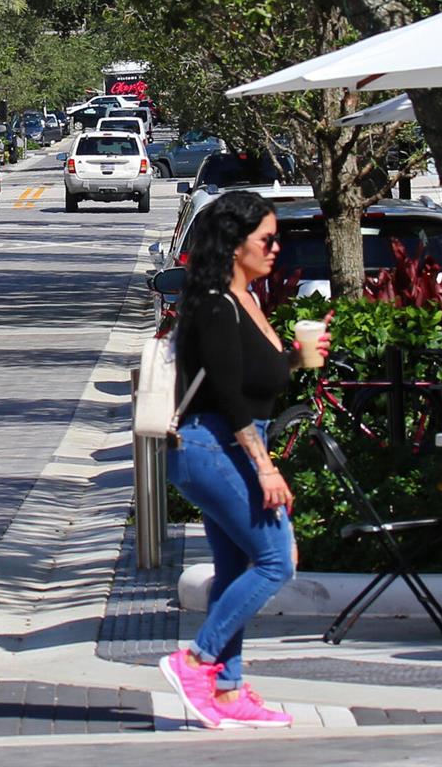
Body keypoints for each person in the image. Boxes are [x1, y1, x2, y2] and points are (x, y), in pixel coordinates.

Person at [158, 190, 330, 730]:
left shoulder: (245, 299)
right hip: (213, 446)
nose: (276, 248)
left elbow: (251, 380)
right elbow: (229, 397)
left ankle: (228, 690)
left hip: (225, 444)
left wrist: (298, 361)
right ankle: (196, 661)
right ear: (236, 244)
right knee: (278, 559)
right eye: (267, 239)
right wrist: (266, 467)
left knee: (236, 568)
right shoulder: (215, 304)